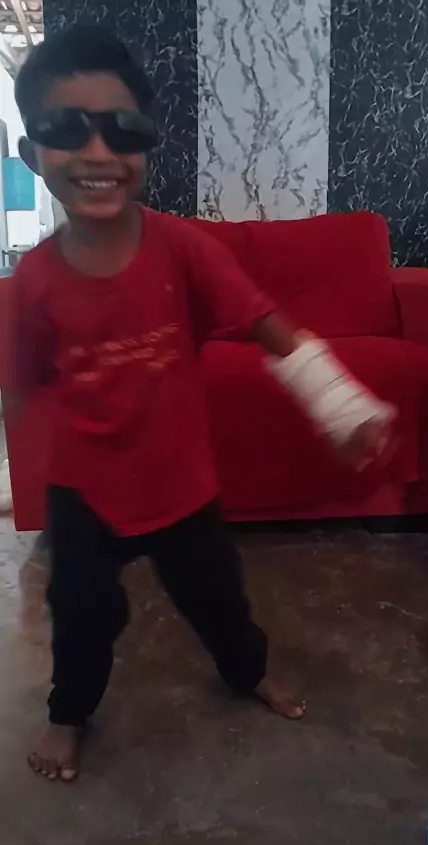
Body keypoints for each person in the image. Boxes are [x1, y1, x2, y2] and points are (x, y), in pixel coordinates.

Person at [7, 25, 395, 783]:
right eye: (66, 131)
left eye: (120, 130)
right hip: (86, 493)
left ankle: (248, 671)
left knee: (219, 599)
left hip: (181, 485)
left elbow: (266, 323)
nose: (96, 153)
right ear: (31, 154)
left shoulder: (182, 248)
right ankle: (68, 714)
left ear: (147, 147)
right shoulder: (33, 283)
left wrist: (340, 405)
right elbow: (22, 386)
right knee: (80, 615)